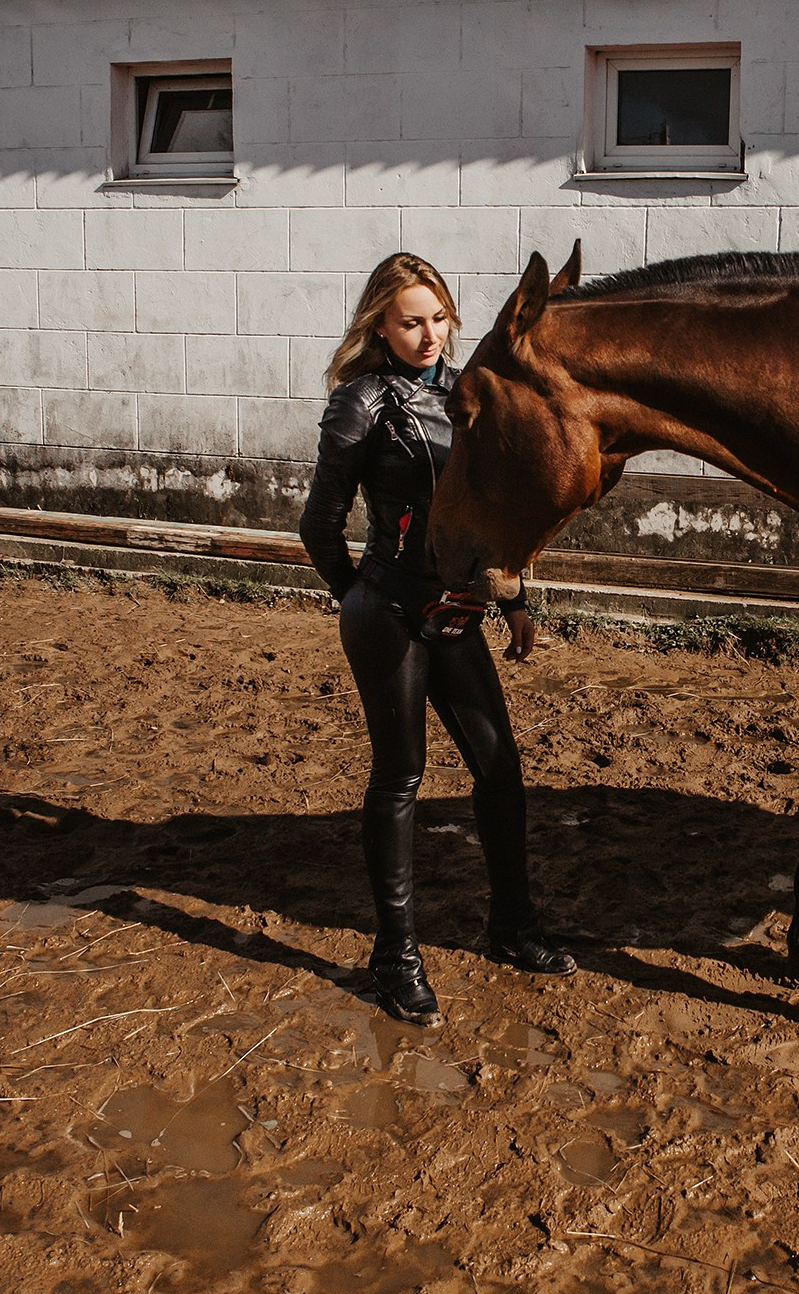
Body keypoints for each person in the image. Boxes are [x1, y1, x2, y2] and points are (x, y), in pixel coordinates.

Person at [298, 252, 575, 1026]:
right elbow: (318, 524)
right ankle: (394, 956)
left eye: (439, 318)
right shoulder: (360, 404)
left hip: (459, 611)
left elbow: (495, 514)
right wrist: (357, 594)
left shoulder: (469, 395)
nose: (429, 334)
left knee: (501, 767)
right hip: (387, 611)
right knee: (402, 775)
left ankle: (512, 925)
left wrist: (514, 599)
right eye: (411, 321)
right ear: (379, 325)